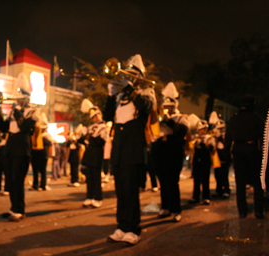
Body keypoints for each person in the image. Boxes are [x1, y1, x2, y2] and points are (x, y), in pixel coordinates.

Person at [104, 54, 153, 245]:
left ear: (140, 77)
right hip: (119, 149)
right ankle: (122, 226)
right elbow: (108, 116)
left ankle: (134, 229)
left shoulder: (146, 92)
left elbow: (145, 107)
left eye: (133, 75)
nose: (129, 77)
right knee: (121, 191)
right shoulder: (120, 96)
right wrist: (110, 96)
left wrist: (130, 88)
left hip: (133, 148)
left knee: (131, 191)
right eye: (127, 74)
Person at [0, 82, 38, 222]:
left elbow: (25, 127)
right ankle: (13, 207)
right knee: (10, 180)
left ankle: (20, 210)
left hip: (22, 149)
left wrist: (18, 111)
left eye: (20, 98)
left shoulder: (32, 112)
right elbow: (4, 128)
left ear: (25, 99)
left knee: (18, 180)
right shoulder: (14, 112)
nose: (17, 100)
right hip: (11, 147)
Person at [151, 82, 190, 222]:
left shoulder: (181, 118)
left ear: (174, 106)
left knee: (172, 182)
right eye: (165, 106)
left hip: (173, 151)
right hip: (160, 150)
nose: (166, 109)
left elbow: (182, 132)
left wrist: (169, 121)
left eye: (169, 106)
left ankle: (176, 210)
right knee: (162, 181)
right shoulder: (160, 118)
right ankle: (165, 207)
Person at [225, 94, 265, 219]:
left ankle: (242, 210)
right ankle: (258, 210)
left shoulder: (233, 120)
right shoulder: (257, 119)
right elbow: (263, 134)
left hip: (238, 151)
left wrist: (226, 156)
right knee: (257, 183)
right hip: (253, 151)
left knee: (240, 183)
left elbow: (228, 138)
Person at [79, 99, 108, 208]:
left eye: (96, 116)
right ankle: (89, 197)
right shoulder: (91, 127)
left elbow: (100, 142)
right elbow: (84, 142)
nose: (94, 118)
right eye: (93, 117)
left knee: (96, 177)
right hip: (89, 154)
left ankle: (98, 198)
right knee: (89, 177)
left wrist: (89, 137)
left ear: (100, 115)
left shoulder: (105, 127)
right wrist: (81, 136)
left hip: (97, 154)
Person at [189, 120, 216, 205]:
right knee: (196, 179)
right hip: (197, 159)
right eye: (200, 129)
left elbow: (212, 148)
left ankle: (206, 197)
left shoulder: (209, 137)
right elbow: (190, 147)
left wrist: (205, 145)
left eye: (203, 129)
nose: (202, 131)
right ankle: (195, 197)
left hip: (205, 159)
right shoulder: (196, 137)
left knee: (205, 179)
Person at [29, 116, 52, 191]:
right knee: (35, 171)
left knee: (43, 171)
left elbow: (49, 143)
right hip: (35, 155)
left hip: (43, 156)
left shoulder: (47, 136)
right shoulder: (34, 135)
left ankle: (43, 185)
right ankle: (35, 185)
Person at [210, 118, 231, 199]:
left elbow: (226, 145)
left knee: (224, 175)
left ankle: (226, 190)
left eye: (221, 128)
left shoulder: (226, 136)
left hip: (225, 158)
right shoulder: (215, 136)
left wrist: (221, 138)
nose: (220, 130)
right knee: (217, 175)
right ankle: (218, 190)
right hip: (217, 158)